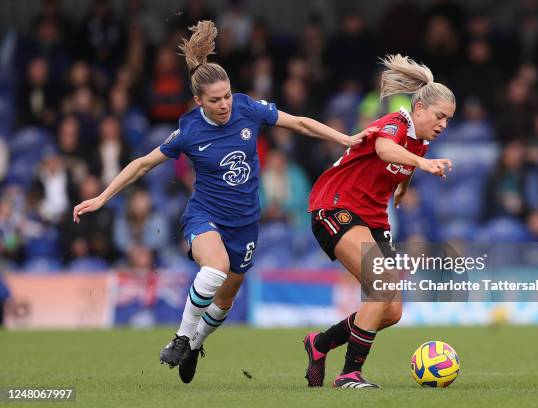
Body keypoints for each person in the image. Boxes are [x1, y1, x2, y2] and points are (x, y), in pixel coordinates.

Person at [72, 21, 375, 384]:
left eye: (228, 95)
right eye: (215, 100)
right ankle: (182, 337)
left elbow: (300, 124)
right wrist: (102, 197)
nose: (225, 104)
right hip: (205, 216)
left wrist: (347, 137)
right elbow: (142, 164)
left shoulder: (248, 108)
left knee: (225, 301)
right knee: (214, 270)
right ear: (198, 101)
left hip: (246, 223)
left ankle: (196, 343)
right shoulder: (188, 130)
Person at [304, 55, 455, 388]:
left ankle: (320, 344)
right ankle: (349, 374)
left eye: (448, 119)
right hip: (336, 206)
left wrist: (403, 187)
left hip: (373, 217)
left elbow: (404, 165)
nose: (443, 124)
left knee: (392, 310)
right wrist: (422, 165)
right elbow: (386, 149)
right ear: (419, 109)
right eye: (439, 115)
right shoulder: (397, 120)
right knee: (382, 284)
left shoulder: (422, 142)